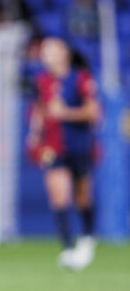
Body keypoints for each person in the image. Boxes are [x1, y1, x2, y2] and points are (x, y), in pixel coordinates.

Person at [27, 37, 100, 270]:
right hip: (52, 146)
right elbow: (40, 109)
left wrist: (65, 113)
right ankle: (68, 249)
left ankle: (88, 238)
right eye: (44, 51)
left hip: (79, 144)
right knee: (59, 195)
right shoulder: (41, 82)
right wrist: (34, 132)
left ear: (64, 54)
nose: (46, 55)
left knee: (82, 196)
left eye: (51, 50)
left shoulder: (80, 78)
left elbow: (93, 112)